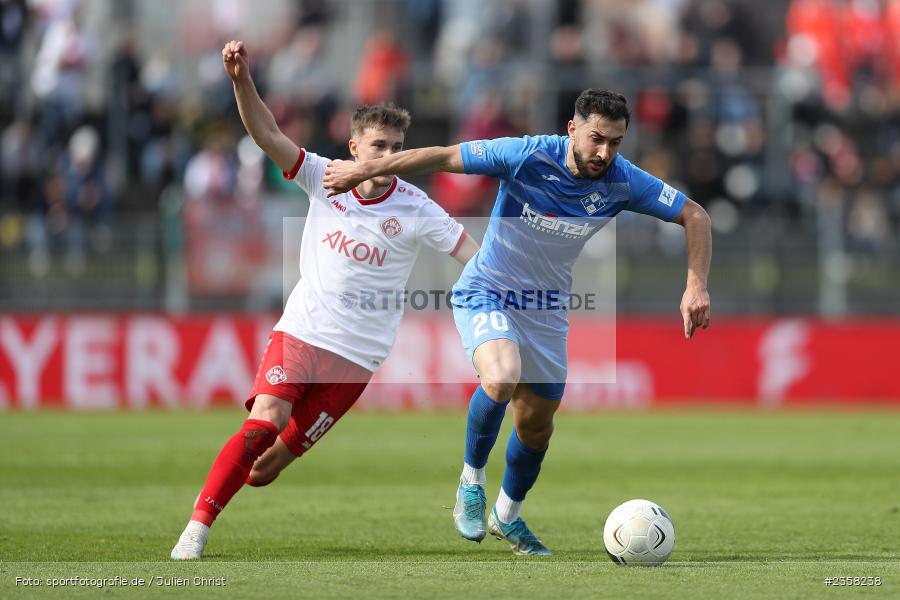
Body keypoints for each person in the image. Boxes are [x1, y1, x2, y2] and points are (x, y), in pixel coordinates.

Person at [323, 89, 712, 555]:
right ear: (572, 129)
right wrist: (363, 171)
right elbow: (443, 156)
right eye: (596, 139)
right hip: (487, 290)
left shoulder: (623, 181)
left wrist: (695, 286)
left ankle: (507, 516)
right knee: (501, 376)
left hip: (546, 311)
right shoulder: (526, 155)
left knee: (536, 427)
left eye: (615, 142)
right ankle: (470, 482)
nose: (604, 152)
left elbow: (695, 215)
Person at [170, 40, 479, 560]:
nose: (389, 156)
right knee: (262, 423)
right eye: (378, 145)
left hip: (357, 358)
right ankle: (196, 531)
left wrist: (508, 292)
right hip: (303, 332)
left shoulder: (417, 206)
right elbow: (267, 134)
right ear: (354, 147)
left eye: (396, 147)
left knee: (264, 468)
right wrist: (241, 79)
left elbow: (471, 254)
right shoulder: (324, 176)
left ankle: (229, 491)